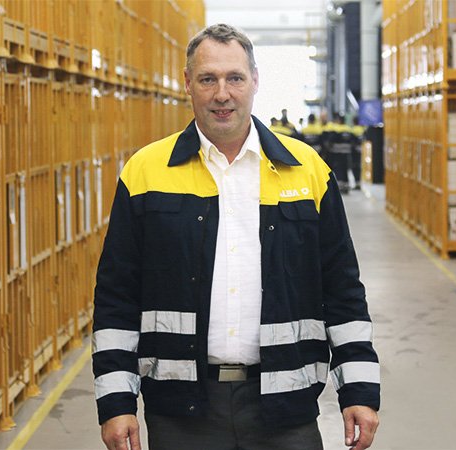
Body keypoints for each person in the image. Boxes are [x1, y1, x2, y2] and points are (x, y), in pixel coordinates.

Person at [92, 23, 380, 450]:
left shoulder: (307, 171)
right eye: (208, 79)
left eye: (235, 78)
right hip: (181, 410)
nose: (222, 94)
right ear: (187, 83)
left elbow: (342, 288)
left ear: (255, 81)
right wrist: (116, 401)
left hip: (286, 404)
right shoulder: (145, 173)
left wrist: (358, 389)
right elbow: (117, 295)